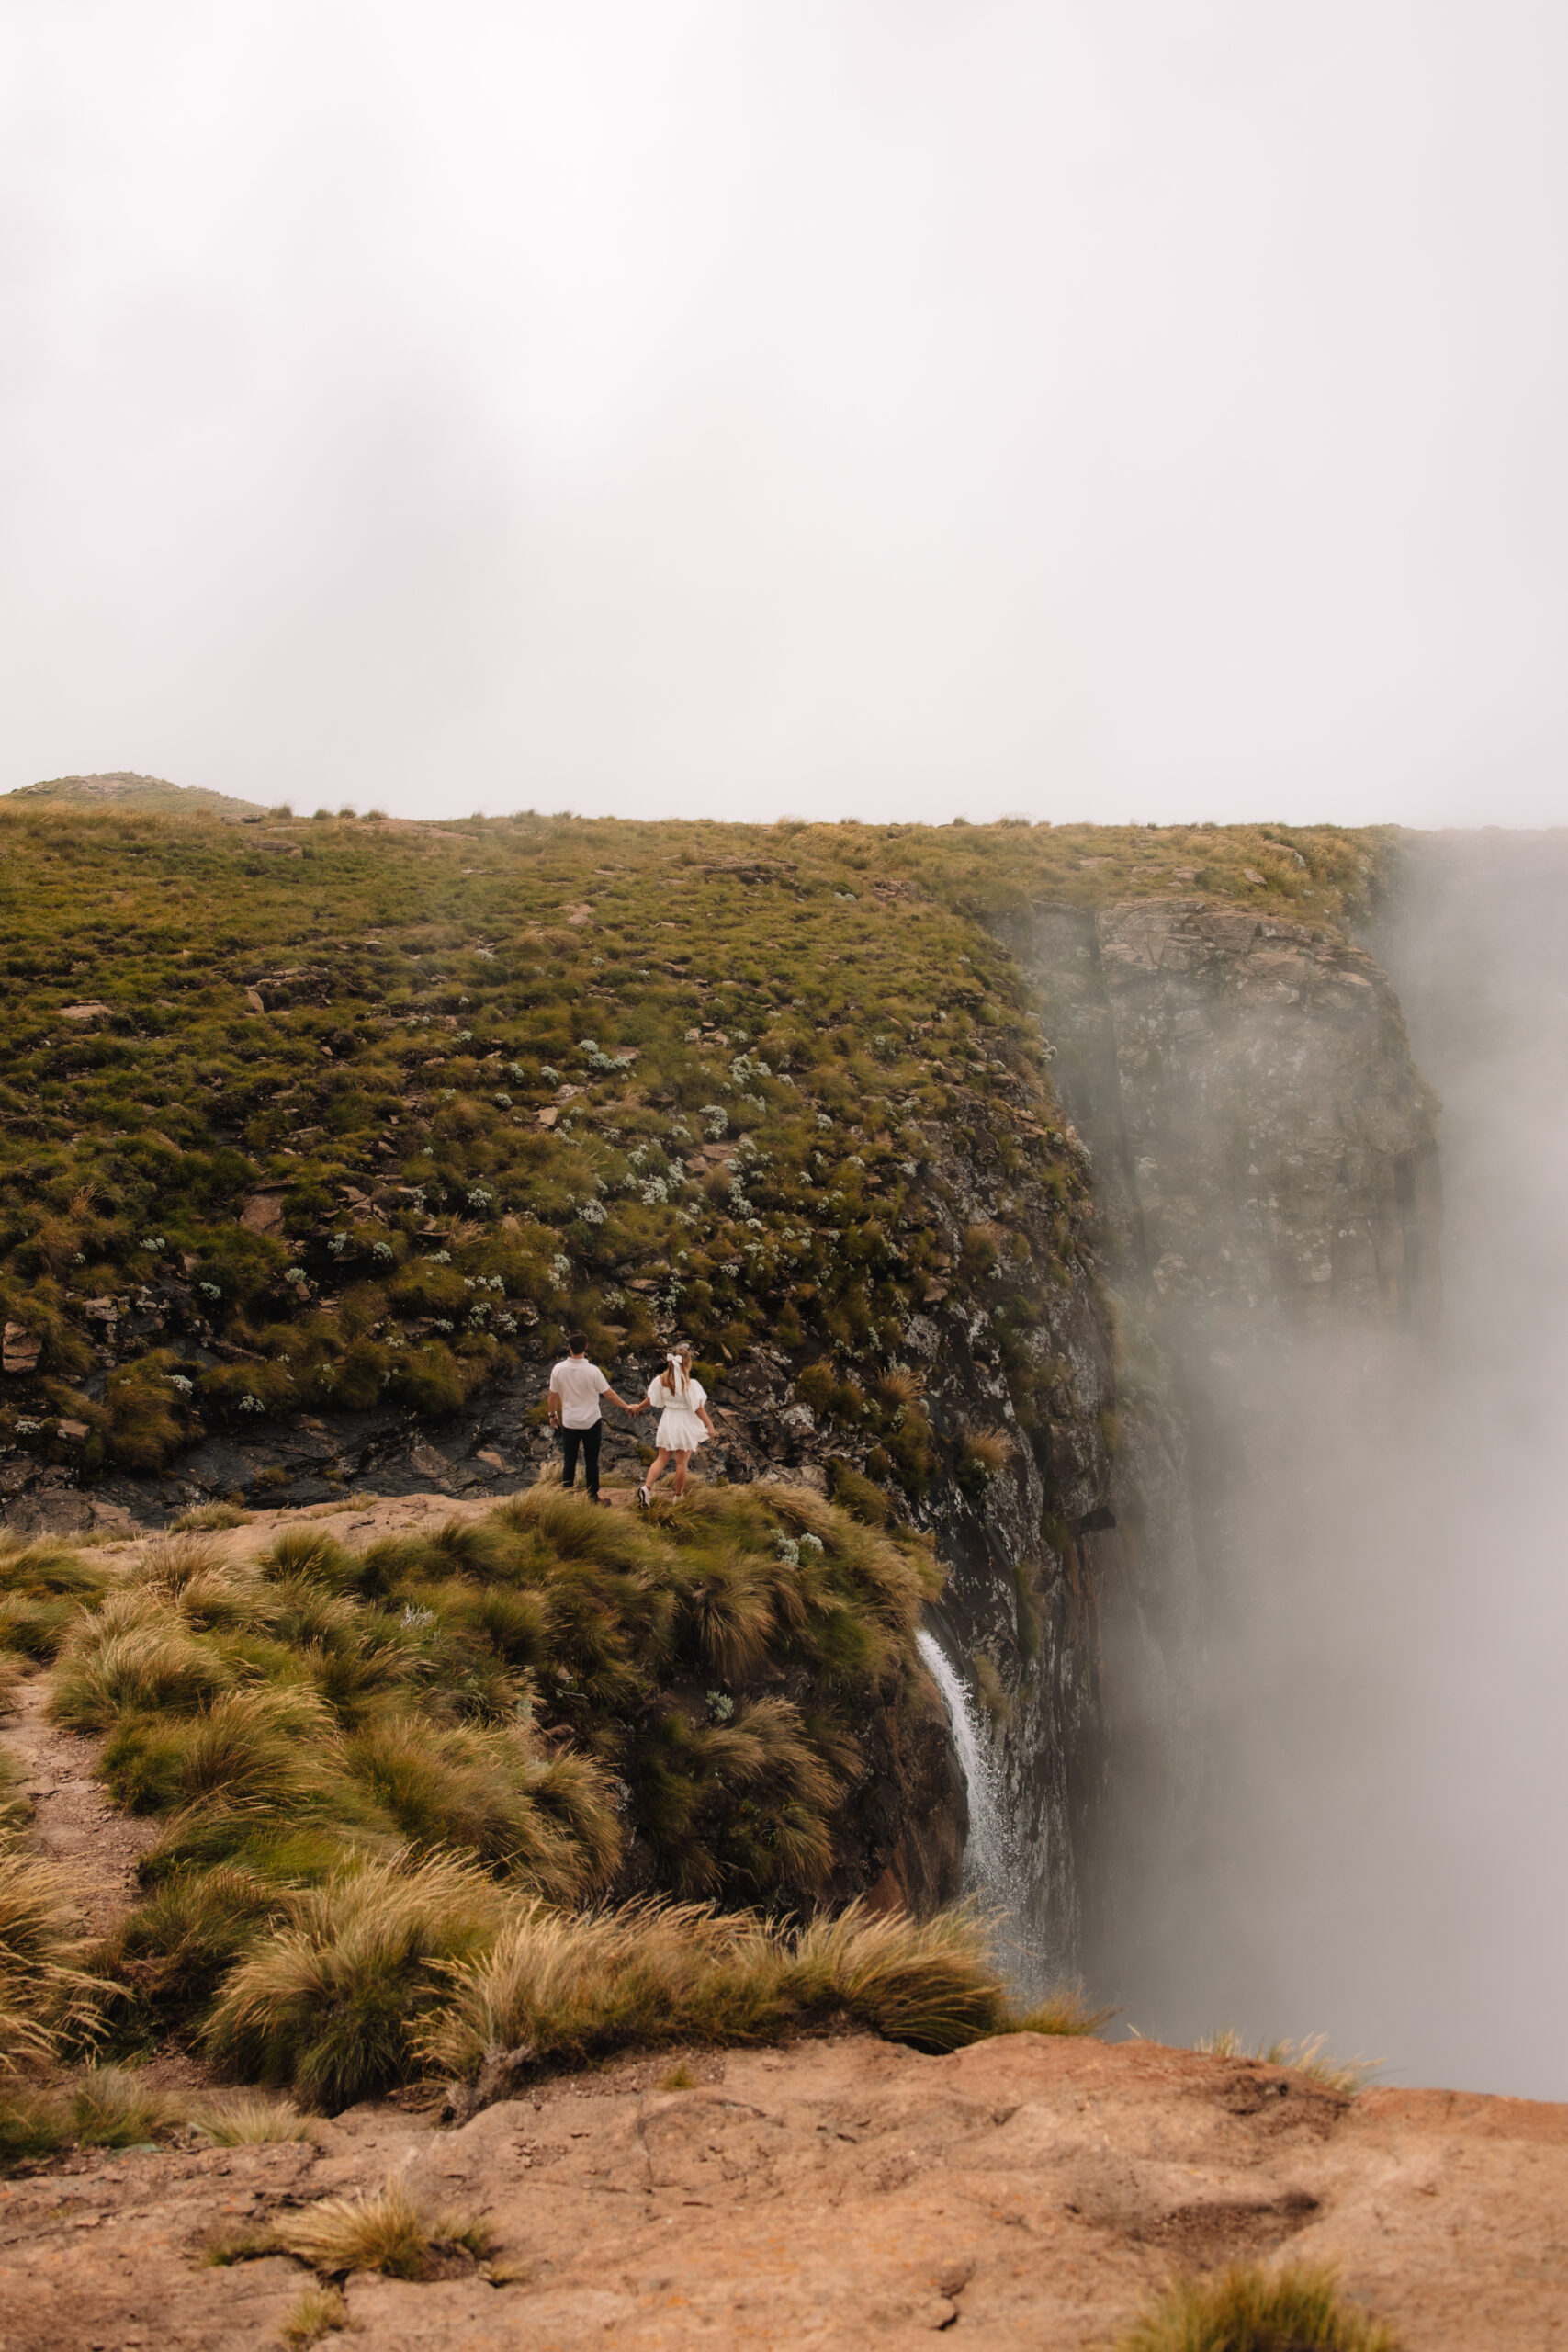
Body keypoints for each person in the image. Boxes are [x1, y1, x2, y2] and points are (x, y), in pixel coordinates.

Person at [547, 1333, 643, 1505]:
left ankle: (565, 1498)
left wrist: (552, 1415)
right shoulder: (593, 1371)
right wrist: (626, 1406)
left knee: (569, 1459)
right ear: (586, 1347)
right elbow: (609, 1394)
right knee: (591, 1461)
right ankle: (593, 1497)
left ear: (569, 1347)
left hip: (569, 1422)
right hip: (591, 1421)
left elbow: (553, 1395)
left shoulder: (558, 1369)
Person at [637, 1342, 716, 1507]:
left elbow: (651, 1400)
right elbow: (698, 1408)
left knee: (661, 1459)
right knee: (681, 1463)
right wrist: (709, 1425)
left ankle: (646, 1487)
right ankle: (678, 1496)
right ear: (686, 1363)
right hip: (684, 1423)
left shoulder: (661, 1380)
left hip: (668, 1421)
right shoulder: (690, 1384)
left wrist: (638, 1407)